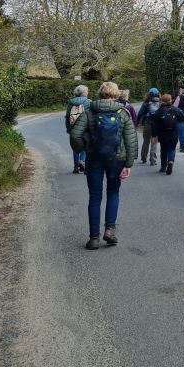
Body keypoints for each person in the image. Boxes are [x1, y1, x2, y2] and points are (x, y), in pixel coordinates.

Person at [69, 81, 137, 250]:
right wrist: (128, 163)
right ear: (116, 95)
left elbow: (75, 135)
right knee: (113, 192)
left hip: (94, 159)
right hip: (117, 159)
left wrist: (83, 148)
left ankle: (93, 238)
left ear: (100, 94)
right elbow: (130, 140)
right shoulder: (123, 112)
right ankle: (110, 230)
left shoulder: (89, 112)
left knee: (95, 197)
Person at [153, 94, 184, 174]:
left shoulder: (159, 111)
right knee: (171, 149)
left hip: (163, 134)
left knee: (163, 150)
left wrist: (154, 135)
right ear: (171, 100)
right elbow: (183, 118)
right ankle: (170, 161)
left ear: (162, 101)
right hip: (173, 133)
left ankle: (163, 166)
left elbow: (154, 124)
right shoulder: (175, 109)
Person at [65, 85, 93, 174]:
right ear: (83, 93)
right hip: (85, 127)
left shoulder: (71, 102)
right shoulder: (89, 102)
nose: (87, 93)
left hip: (73, 127)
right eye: (87, 91)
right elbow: (92, 116)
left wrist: (68, 128)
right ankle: (83, 161)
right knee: (86, 146)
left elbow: (68, 116)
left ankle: (76, 166)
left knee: (75, 147)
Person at [137, 88, 161, 165]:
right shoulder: (160, 102)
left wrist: (136, 123)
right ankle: (153, 160)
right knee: (154, 142)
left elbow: (140, 113)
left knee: (146, 141)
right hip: (156, 124)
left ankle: (143, 157)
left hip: (148, 123)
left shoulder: (146, 102)